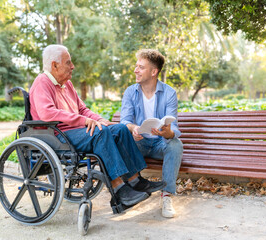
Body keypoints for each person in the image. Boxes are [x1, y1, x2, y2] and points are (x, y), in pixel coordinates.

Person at [29, 44, 166, 208]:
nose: (72, 66)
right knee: (100, 133)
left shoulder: (67, 85)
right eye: (68, 63)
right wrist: (83, 121)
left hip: (75, 132)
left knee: (120, 129)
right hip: (57, 135)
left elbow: (82, 109)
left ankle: (136, 181)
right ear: (54, 65)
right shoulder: (42, 82)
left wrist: (100, 119)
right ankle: (119, 190)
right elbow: (47, 113)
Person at [120, 49, 183, 218]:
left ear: (154, 72)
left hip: (159, 143)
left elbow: (174, 129)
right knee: (121, 141)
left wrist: (167, 133)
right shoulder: (130, 92)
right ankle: (133, 191)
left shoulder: (169, 93)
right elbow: (124, 121)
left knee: (176, 144)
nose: (135, 70)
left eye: (140, 67)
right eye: (136, 66)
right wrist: (133, 128)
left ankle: (167, 196)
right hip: (139, 142)